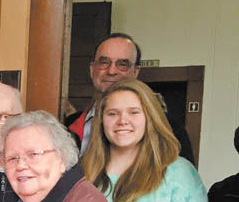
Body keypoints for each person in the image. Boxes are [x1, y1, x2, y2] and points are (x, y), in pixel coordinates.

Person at [67, 32, 194, 161]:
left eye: (122, 64)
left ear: (136, 71)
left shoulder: (170, 129)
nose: (111, 71)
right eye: (104, 62)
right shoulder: (68, 125)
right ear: (92, 69)